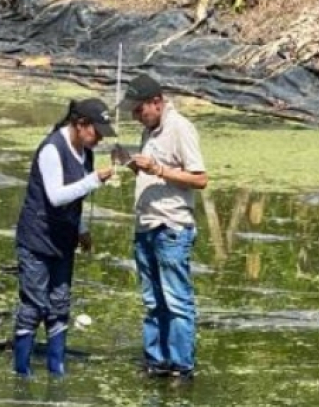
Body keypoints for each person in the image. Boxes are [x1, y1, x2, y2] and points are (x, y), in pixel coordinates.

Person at [12, 98, 116, 377]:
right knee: (35, 307)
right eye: (97, 131)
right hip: (37, 239)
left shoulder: (86, 153)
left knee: (59, 306)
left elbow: (76, 197)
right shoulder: (52, 149)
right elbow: (56, 196)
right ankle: (22, 372)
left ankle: (57, 369)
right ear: (80, 124)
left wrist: (81, 229)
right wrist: (95, 179)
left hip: (64, 240)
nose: (100, 138)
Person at [119, 74, 209, 379]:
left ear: (156, 103)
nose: (135, 116)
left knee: (176, 300)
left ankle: (182, 366)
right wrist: (132, 164)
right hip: (145, 225)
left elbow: (200, 179)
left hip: (172, 227)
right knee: (151, 300)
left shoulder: (180, 128)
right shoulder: (150, 129)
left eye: (138, 110)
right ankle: (156, 361)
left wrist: (157, 168)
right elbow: (150, 175)